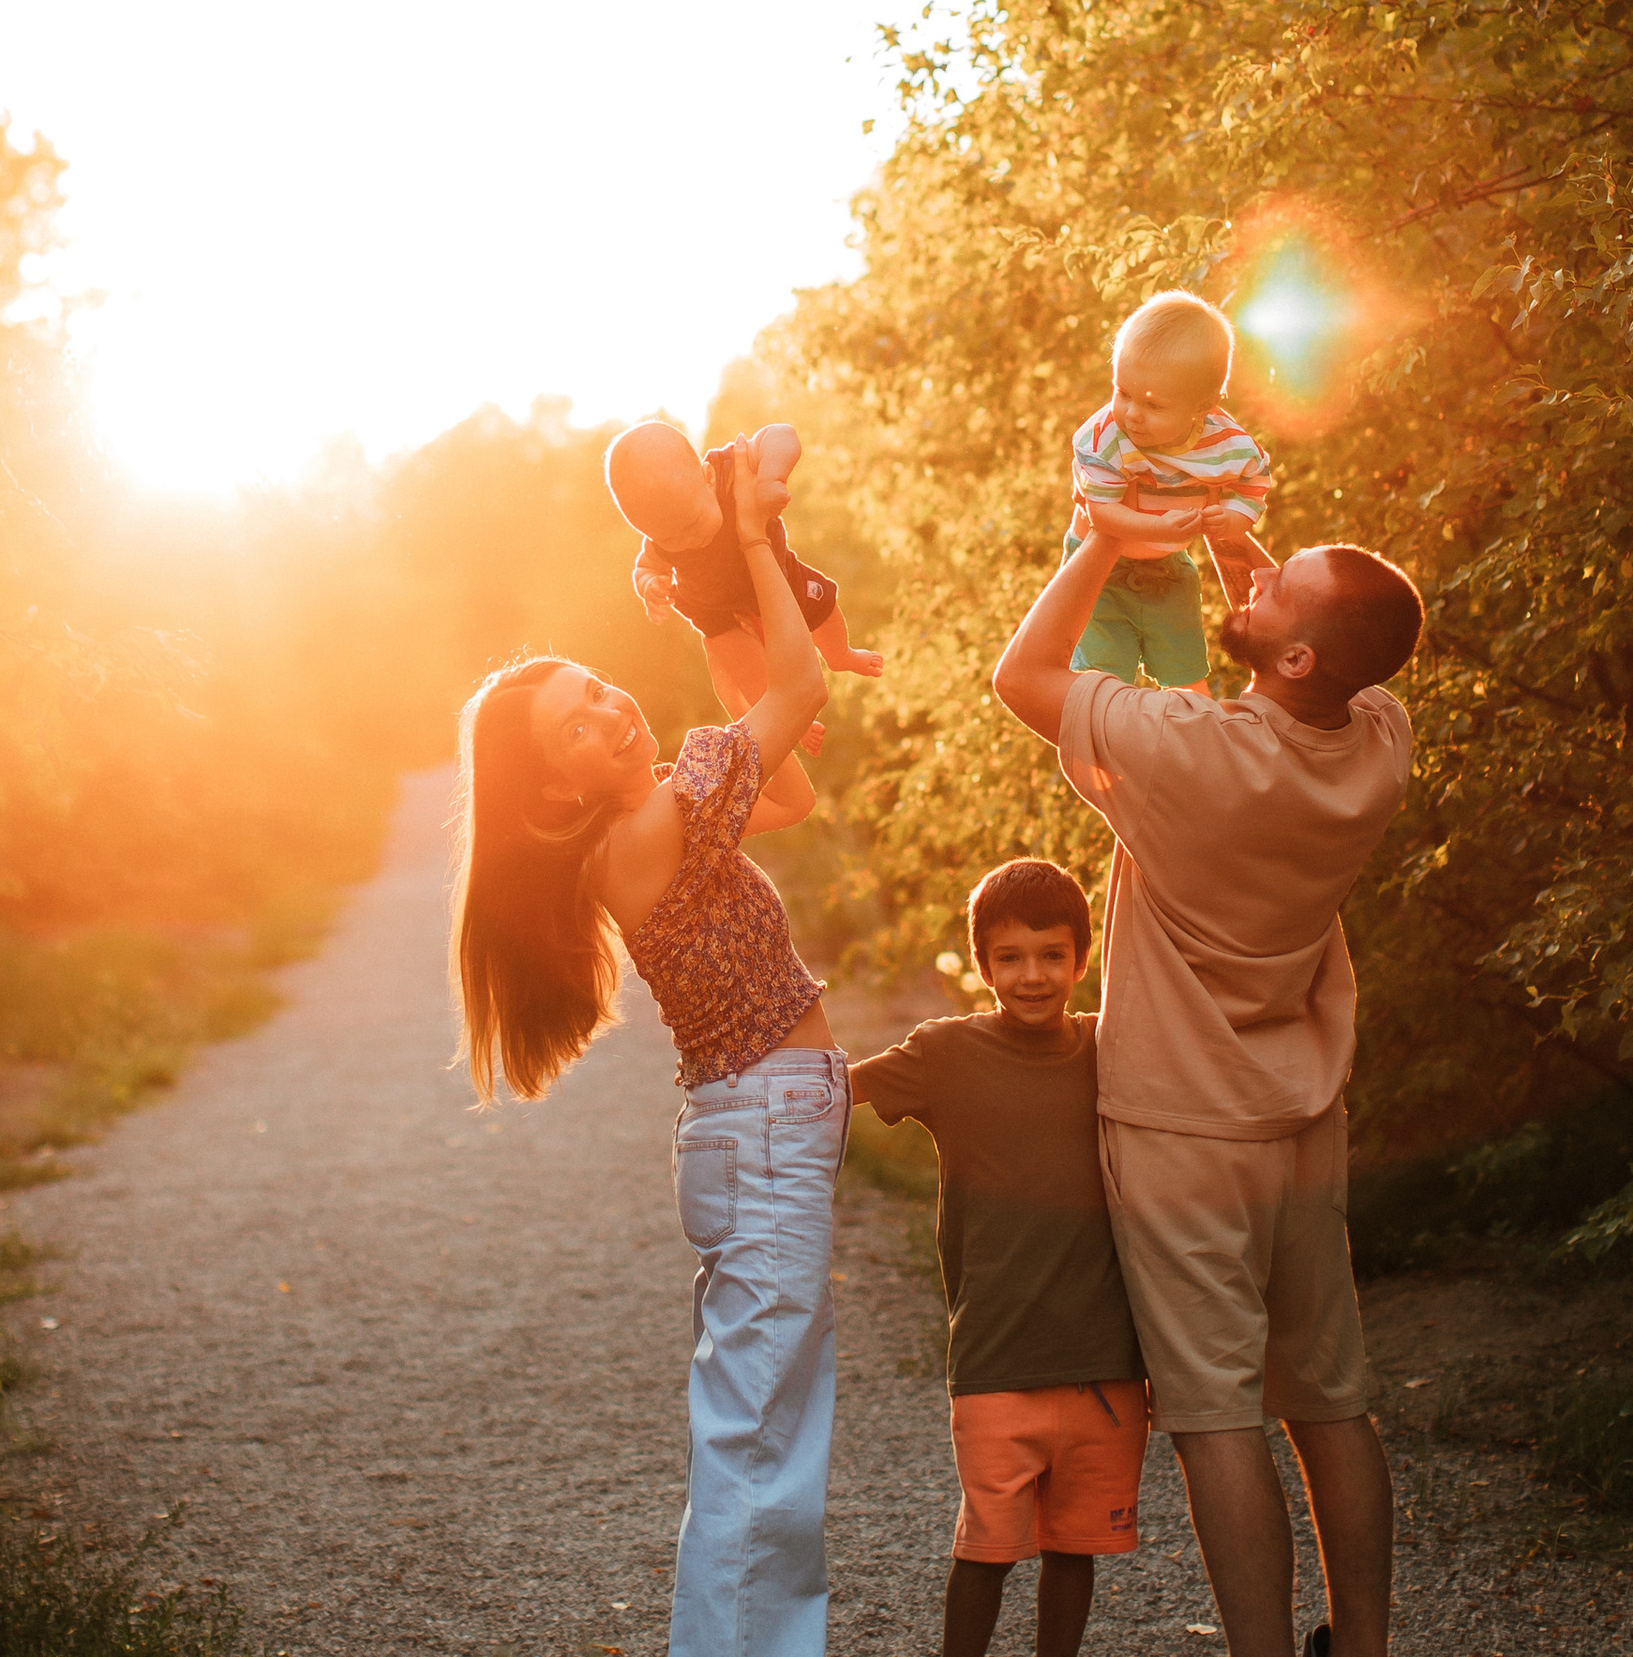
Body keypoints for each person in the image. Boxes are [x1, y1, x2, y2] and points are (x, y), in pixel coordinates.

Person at [991, 503, 1425, 1657]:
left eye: (1282, 587)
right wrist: (1248, 570)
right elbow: (1328, 658)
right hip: (1302, 1118)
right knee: (1331, 1396)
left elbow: (1021, 673)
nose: (1263, 575)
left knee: (1217, 1415)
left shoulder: (1188, 746)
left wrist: (1099, 535)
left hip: (1182, 1128)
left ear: (1291, 656)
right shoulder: (1380, 743)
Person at [452, 439, 846, 1657]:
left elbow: (793, 792)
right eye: (578, 721)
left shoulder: (669, 801)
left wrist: (703, 598)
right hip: (765, 1128)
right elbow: (799, 697)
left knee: (764, 1429)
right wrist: (743, 543)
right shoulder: (660, 818)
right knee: (758, 1445)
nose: (610, 704)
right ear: (551, 791)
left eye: (594, 684)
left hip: (759, 1124)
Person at [850, 857, 1148, 1657]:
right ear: (982, 965)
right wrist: (734, 1093)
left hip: (1106, 1364)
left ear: (1082, 961)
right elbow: (831, 1090)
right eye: (1011, 958)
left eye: (1053, 955)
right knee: (985, 1549)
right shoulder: (946, 1054)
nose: (1033, 976)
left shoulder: (1111, 1048)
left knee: (1075, 1548)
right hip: (995, 1359)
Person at [607, 420, 882, 764]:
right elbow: (645, 566)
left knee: (822, 605)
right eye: (670, 539)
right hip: (712, 607)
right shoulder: (662, 533)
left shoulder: (727, 470)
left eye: (692, 524)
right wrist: (650, 585)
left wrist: (771, 479)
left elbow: (782, 434)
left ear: (707, 478)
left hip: (775, 572)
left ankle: (841, 655)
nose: (688, 542)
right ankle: (789, 718)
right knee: (744, 666)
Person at [1066, 291, 1273, 694]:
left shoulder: (1226, 443)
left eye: (1153, 406)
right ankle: (1101, 752)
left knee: (1186, 669)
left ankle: (1193, 744)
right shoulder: (1104, 437)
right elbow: (1102, 515)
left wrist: (1233, 517)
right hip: (1100, 572)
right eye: (1122, 392)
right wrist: (1158, 526)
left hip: (1169, 567)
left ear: (1204, 406)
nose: (1131, 414)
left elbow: (1253, 483)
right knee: (1101, 681)